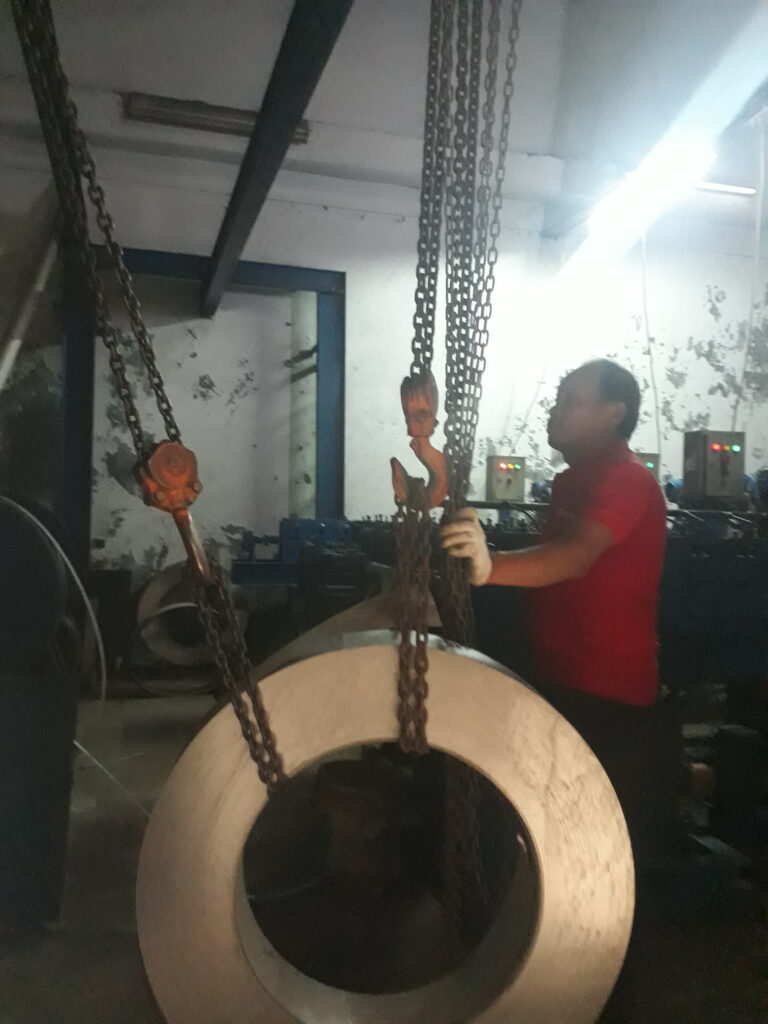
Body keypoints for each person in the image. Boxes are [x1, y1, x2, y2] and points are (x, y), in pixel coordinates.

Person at [441, 359, 682, 871]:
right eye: (558, 398)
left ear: (614, 413)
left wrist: (490, 566)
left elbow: (574, 556)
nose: (555, 410)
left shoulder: (627, 479)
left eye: (572, 401)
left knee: (595, 853)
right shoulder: (574, 482)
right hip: (559, 681)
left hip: (607, 699)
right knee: (550, 838)